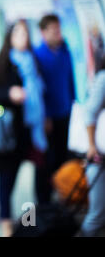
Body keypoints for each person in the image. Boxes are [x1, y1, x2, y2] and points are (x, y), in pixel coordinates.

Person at [0, 20, 47, 236]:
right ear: (9, 36)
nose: (22, 36)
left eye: (25, 32)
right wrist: (9, 94)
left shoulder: (33, 61)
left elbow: (41, 93)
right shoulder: (3, 63)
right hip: (8, 134)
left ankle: (29, 222)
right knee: (6, 181)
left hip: (30, 131)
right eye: (18, 32)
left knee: (30, 181)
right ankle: (5, 225)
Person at [33, 14, 76, 205]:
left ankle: (63, 195)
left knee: (62, 156)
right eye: (54, 30)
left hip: (65, 111)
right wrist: (45, 117)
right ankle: (44, 201)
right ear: (43, 32)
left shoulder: (65, 51)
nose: (58, 34)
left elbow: (70, 79)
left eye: (59, 30)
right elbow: (39, 91)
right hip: (47, 117)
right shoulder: (37, 55)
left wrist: (73, 102)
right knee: (46, 161)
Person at [80, 54, 105, 237]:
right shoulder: (103, 78)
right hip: (100, 157)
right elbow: (89, 112)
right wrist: (91, 146)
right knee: (97, 216)